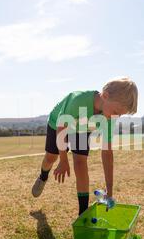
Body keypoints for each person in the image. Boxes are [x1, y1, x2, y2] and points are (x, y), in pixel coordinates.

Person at [32, 77, 138, 216]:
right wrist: (63, 161)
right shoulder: (79, 100)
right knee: (51, 158)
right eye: (116, 112)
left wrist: (109, 191)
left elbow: (107, 153)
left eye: (119, 115)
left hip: (81, 128)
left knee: (81, 163)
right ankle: (43, 176)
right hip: (59, 124)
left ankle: (83, 212)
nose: (116, 117)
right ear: (105, 96)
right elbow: (61, 128)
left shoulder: (108, 117)